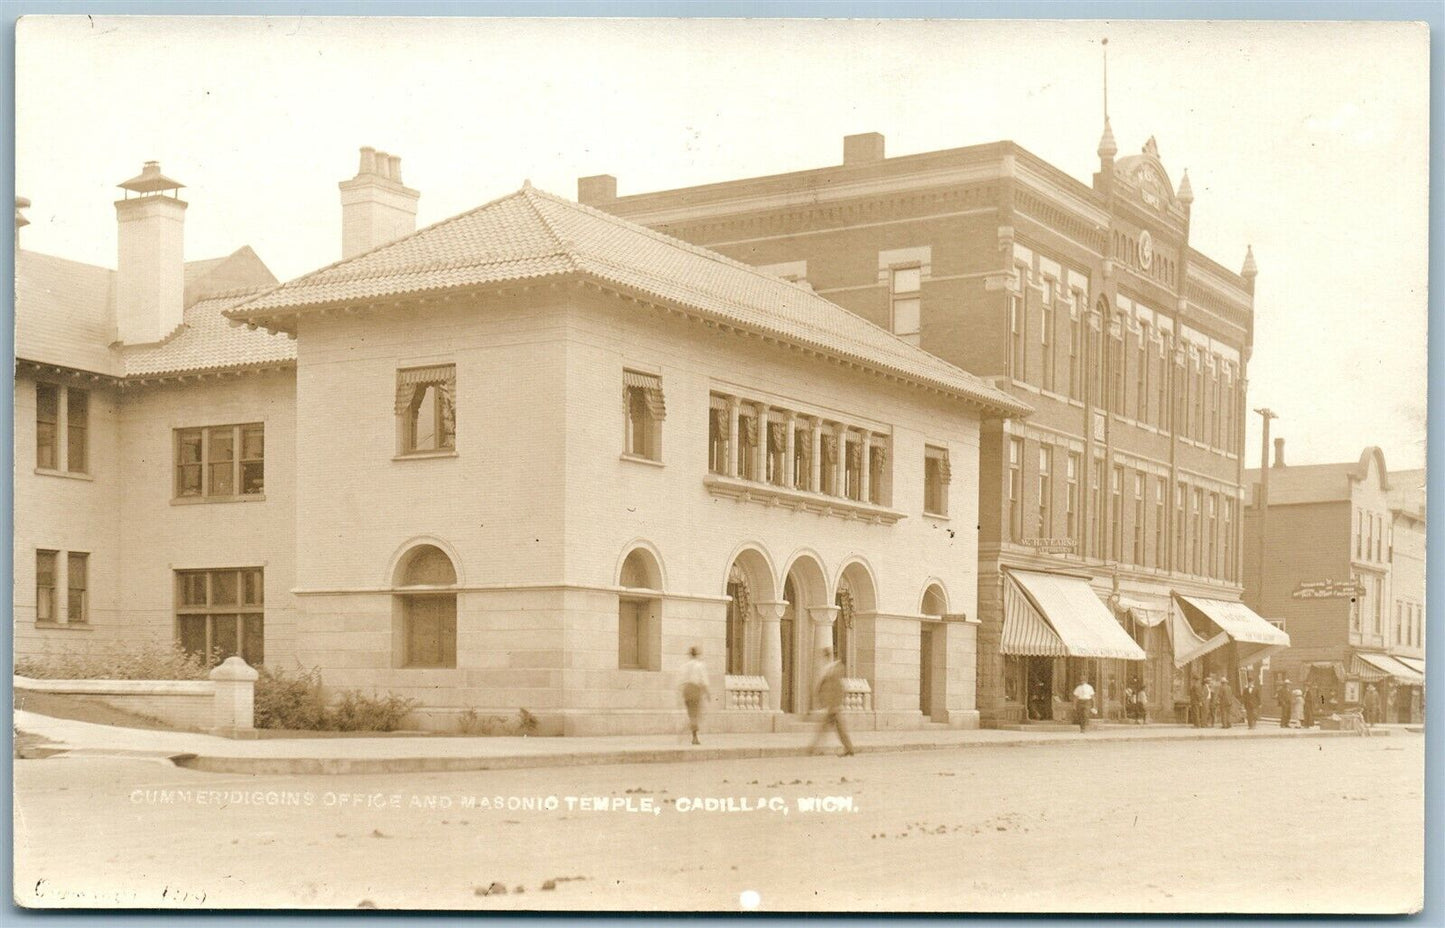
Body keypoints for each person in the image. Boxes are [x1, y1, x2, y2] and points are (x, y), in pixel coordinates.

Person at [809, 647, 854, 756]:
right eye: (825, 655)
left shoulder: (835, 669)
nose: (826, 657)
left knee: (828, 729)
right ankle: (849, 749)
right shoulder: (831, 668)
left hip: (834, 706)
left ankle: (814, 748)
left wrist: (835, 704)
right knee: (835, 729)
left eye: (827, 654)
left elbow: (837, 688)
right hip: (833, 706)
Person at [678, 646, 709, 745]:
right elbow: (704, 680)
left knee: (691, 713)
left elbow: (681, 680)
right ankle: (694, 736)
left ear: (690, 655)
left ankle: (691, 729)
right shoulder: (700, 665)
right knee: (696, 714)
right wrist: (707, 693)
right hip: (695, 689)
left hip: (687, 689)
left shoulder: (685, 666)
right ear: (697, 655)